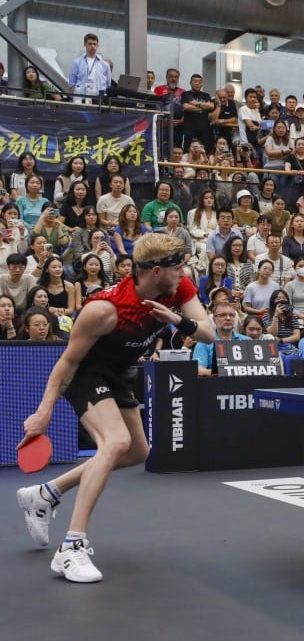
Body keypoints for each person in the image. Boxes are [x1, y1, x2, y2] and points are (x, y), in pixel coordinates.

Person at [16, 233, 213, 583]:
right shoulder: (104, 310)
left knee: (137, 450)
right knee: (116, 443)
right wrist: (45, 411)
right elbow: (67, 362)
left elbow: (209, 333)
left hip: (119, 374)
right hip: (87, 374)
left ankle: (45, 494)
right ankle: (71, 548)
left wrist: (175, 318)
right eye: (178, 265)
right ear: (155, 271)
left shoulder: (177, 288)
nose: (184, 269)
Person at [192, 300, 250, 376]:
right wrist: (223, 372)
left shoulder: (247, 340)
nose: (228, 318)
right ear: (214, 319)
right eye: (222, 315)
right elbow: (197, 369)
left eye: (231, 315)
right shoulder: (204, 342)